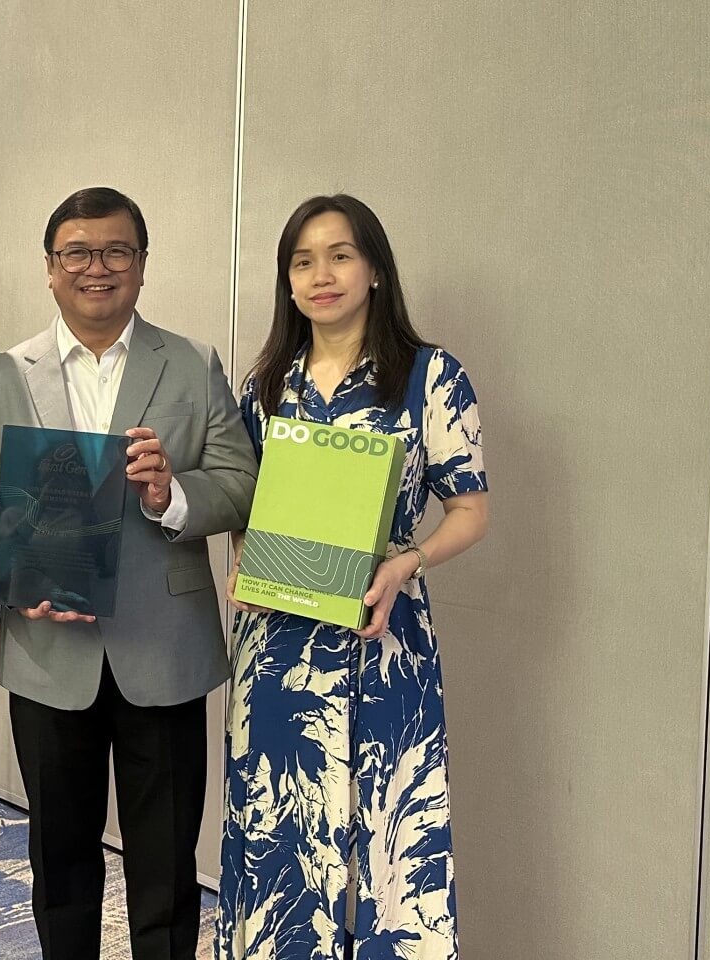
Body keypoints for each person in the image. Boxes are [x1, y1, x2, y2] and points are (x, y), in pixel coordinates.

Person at [0, 187, 257, 960]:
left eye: (117, 251)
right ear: (50, 270)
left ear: (142, 266)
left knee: (166, 860)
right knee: (60, 856)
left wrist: (172, 491)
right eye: (77, 253)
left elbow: (241, 479)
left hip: (164, 647)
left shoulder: (191, 363)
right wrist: (20, 576)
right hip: (50, 650)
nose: (98, 267)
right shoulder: (3, 373)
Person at [216, 194, 490, 960]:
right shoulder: (266, 385)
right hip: (277, 648)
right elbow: (248, 505)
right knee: (280, 825)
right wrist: (244, 557)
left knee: (387, 839)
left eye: (339, 255)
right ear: (288, 281)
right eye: (302, 261)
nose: (321, 275)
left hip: (385, 639)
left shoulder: (431, 377)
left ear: (373, 268)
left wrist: (411, 560)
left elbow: (470, 509)